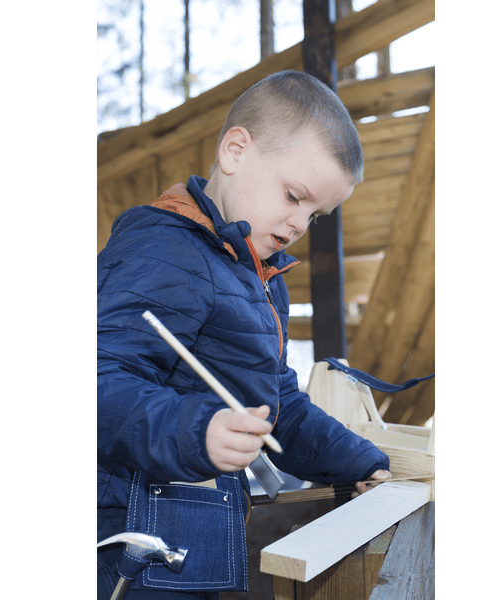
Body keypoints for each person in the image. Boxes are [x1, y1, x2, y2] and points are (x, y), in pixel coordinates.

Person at [97, 70, 391, 599]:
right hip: (127, 547)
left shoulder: (256, 278)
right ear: (235, 151)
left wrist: (360, 459)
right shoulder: (162, 250)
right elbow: (96, 378)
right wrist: (197, 431)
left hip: (196, 540)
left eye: (316, 214)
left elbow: (278, 407)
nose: (300, 222)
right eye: (293, 195)